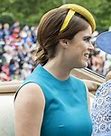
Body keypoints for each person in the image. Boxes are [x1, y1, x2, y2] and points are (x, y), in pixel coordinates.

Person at [14, 4, 96, 136]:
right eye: (86, 39)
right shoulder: (33, 90)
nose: (91, 47)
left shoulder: (81, 87)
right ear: (64, 41)